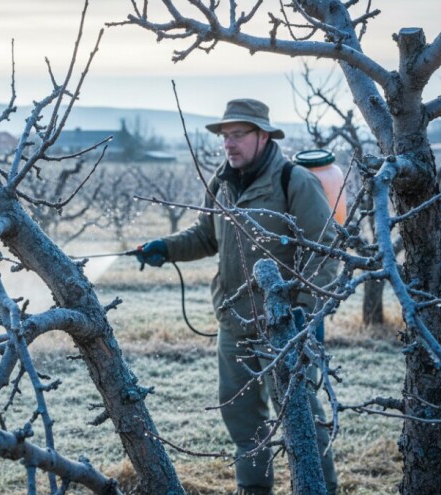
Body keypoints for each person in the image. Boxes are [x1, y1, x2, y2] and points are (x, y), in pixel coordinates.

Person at [136, 99, 338, 495]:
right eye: (225, 136)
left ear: (263, 136)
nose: (229, 144)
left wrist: (303, 313)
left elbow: (324, 250)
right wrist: (166, 247)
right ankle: (253, 488)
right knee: (242, 420)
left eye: (239, 135)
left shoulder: (294, 181)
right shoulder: (223, 182)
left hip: (284, 327)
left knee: (301, 419)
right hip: (233, 322)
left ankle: (321, 489)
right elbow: (205, 236)